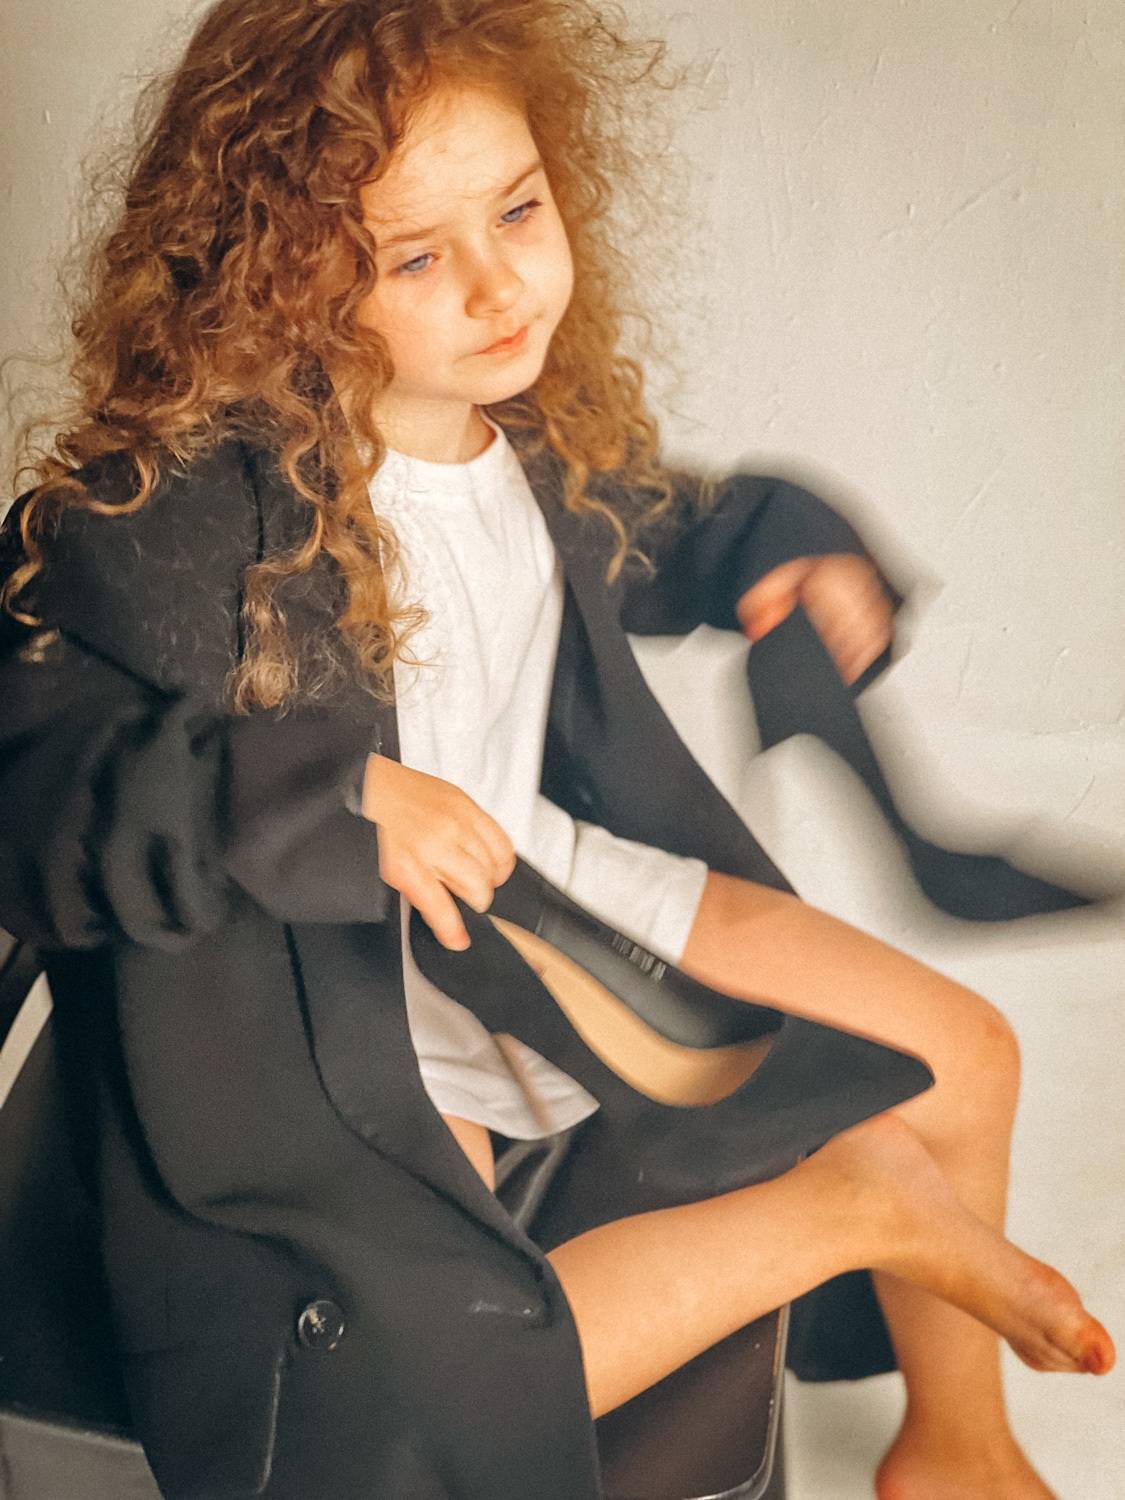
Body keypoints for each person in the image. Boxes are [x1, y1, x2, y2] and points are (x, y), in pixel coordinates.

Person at [0, 2, 1114, 1497]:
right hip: (336, 989)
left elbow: (661, 528)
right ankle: (848, 1213)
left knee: (963, 1055)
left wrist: (776, 548)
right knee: (426, 1402)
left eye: (517, 211)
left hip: (540, 889)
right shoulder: (173, 512)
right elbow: (40, 786)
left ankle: (957, 1444)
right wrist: (330, 797)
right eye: (413, 257)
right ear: (277, 280)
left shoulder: (514, 440)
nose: (496, 283)